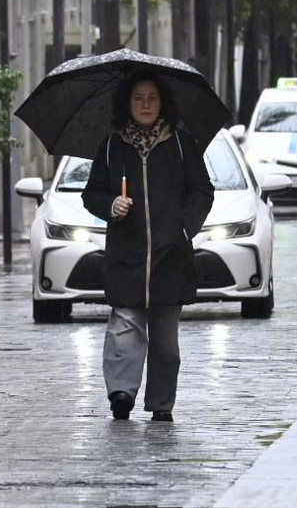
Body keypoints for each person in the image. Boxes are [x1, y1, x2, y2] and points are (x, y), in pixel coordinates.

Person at [81, 73, 215, 422]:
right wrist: (111, 205)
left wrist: (185, 227)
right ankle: (121, 393)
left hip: (171, 257)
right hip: (127, 257)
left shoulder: (182, 145)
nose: (145, 104)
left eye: (152, 98)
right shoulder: (112, 147)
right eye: (138, 97)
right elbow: (91, 194)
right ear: (127, 102)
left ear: (162, 103)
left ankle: (161, 404)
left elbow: (202, 190)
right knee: (123, 328)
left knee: (166, 344)